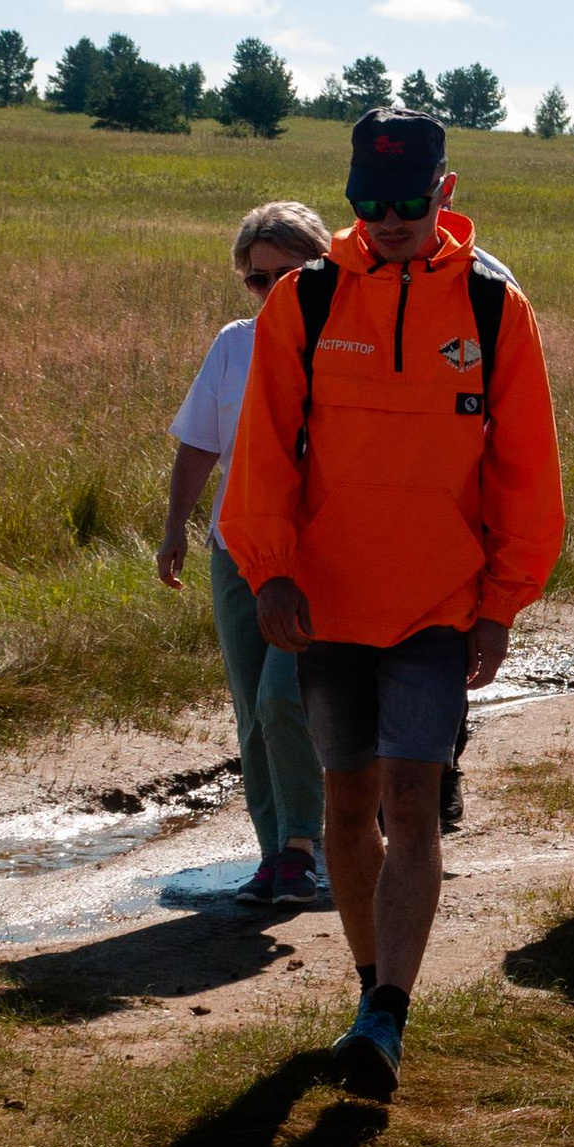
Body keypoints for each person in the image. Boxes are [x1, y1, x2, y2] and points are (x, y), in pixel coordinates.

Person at [226, 108, 566, 1101]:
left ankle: (387, 1016)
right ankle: (373, 986)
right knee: (345, 806)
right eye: (369, 204)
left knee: (413, 805)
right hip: (324, 602)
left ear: (443, 192)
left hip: (437, 604)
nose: (389, 220)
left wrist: (502, 603)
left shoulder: (498, 308)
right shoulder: (303, 300)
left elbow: (524, 473)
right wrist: (271, 569)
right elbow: (262, 451)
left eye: (407, 201)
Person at [159, 197, 333, 908]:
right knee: (250, 710)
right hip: (236, 549)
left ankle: (307, 846)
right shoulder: (234, 345)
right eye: (257, 279)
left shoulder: (345, 345)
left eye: (287, 275)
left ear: (320, 270)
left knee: (282, 696)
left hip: (317, 553)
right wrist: (176, 526)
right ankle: (276, 857)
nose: (270, 293)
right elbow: (200, 442)